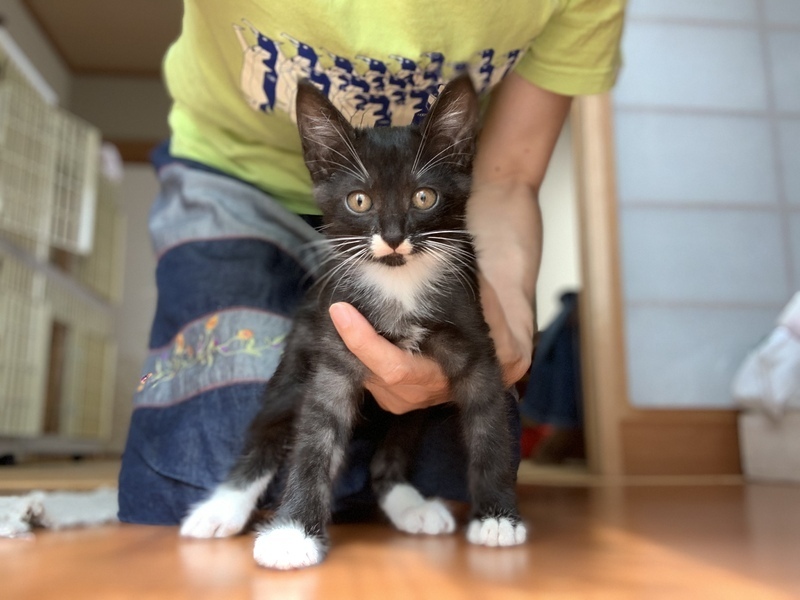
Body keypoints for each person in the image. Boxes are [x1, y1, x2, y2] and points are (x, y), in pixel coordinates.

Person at [118, 0, 625, 525]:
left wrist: (511, 316)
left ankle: (383, 478)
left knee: (448, 474)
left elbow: (509, 178)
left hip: (425, 217)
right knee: (198, 470)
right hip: (232, 176)